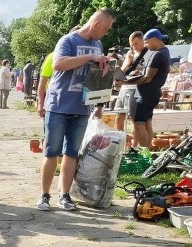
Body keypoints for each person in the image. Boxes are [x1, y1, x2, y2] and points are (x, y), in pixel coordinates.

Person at [36, 8, 114, 212]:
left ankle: (64, 195)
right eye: (105, 28)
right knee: (51, 152)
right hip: (59, 106)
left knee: (72, 153)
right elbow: (59, 64)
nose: (106, 33)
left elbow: (99, 78)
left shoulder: (98, 44)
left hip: (82, 109)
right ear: (96, 24)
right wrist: (90, 57)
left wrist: (99, 105)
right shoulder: (68, 41)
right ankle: (44, 195)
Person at [121, 29, 172, 151]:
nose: (146, 46)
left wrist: (125, 82)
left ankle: (144, 153)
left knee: (139, 124)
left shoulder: (158, 54)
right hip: (152, 92)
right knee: (146, 121)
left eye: (147, 42)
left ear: (155, 39)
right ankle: (148, 150)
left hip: (147, 93)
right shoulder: (164, 52)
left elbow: (148, 78)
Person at [115, 32, 146, 136]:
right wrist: (128, 62)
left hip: (137, 88)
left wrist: (138, 73)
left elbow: (148, 75)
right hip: (124, 87)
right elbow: (122, 71)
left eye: (136, 43)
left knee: (134, 119)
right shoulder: (130, 53)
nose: (134, 47)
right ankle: (120, 142)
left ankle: (135, 145)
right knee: (119, 116)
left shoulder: (148, 53)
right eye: (132, 44)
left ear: (143, 41)